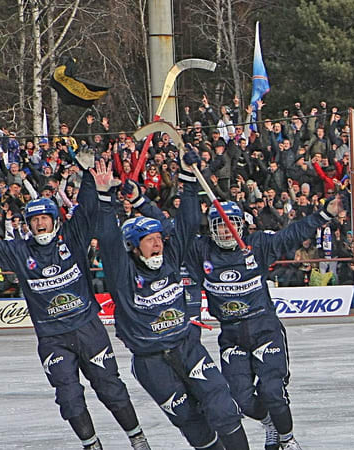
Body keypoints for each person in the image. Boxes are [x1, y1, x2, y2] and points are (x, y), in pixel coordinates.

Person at [0, 148, 150, 450]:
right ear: (28, 224)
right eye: (34, 220)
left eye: (45, 218)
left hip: (88, 329)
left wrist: (88, 176)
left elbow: (87, 211)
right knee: (69, 399)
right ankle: (92, 445)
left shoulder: (72, 240)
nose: (40, 224)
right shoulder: (20, 252)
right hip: (52, 338)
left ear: (54, 220)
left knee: (110, 388)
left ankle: (138, 439)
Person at [92, 156, 249, 450]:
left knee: (223, 409)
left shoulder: (171, 259)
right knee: (193, 425)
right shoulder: (123, 274)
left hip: (187, 347)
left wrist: (188, 179)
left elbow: (187, 224)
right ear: (133, 247)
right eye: (149, 240)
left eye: (158, 238)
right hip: (151, 362)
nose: (157, 244)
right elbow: (109, 238)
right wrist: (104, 197)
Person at [182, 196, 344, 450]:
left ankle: (287, 440)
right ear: (211, 229)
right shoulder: (201, 250)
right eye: (220, 225)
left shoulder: (257, 244)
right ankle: (270, 424)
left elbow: (291, 235)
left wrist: (324, 214)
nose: (227, 230)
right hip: (231, 334)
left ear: (242, 224)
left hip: (264, 328)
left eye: (232, 223)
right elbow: (177, 238)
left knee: (272, 392)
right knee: (242, 400)